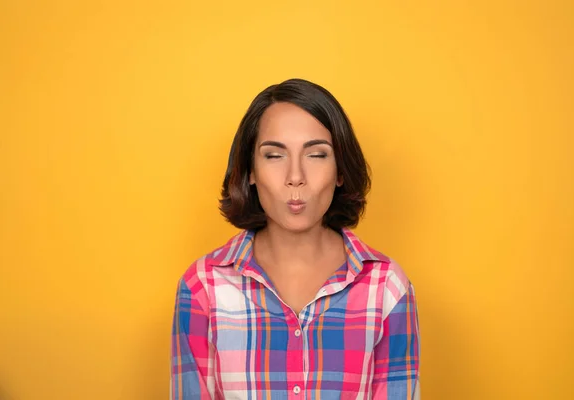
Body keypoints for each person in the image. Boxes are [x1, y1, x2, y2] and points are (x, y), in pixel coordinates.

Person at [170, 78, 420, 399]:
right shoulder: (202, 287)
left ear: (340, 171)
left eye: (316, 154)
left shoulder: (388, 289)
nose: (296, 177)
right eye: (274, 156)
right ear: (250, 172)